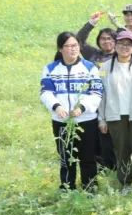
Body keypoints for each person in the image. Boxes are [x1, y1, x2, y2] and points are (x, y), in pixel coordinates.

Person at [41, 32, 103, 191]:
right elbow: (46, 93)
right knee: (66, 158)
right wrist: (57, 106)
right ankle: (67, 188)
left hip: (86, 120)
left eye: (75, 45)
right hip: (61, 121)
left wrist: (82, 108)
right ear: (60, 49)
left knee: (88, 157)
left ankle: (90, 188)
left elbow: (96, 93)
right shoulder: (50, 69)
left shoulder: (90, 68)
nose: (72, 49)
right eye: (67, 46)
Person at [97, 30, 132, 191]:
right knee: (121, 152)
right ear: (115, 45)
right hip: (115, 116)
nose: (124, 47)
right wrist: (101, 119)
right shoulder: (104, 67)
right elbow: (101, 94)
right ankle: (125, 184)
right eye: (121, 43)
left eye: (128, 44)